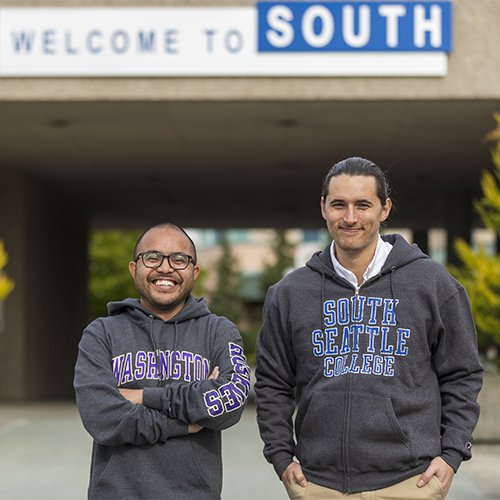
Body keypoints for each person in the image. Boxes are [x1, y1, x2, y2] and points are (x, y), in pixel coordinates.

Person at [255, 157, 484, 500]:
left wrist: (452, 453)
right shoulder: (289, 293)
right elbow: (273, 382)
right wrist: (280, 456)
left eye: (363, 205)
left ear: (385, 208)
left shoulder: (433, 284)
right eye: (338, 205)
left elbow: (463, 374)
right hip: (318, 485)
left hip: (411, 483)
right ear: (323, 208)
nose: (350, 217)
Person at [74, 223, 250, 500]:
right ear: (134, 268)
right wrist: (187, 418)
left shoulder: (219, 331)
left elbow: (230, 405)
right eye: (152, 257)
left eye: (179, 259)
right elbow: (101, 417)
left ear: (194, 272)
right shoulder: (101, 333)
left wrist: (141, 396)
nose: (165, 268)